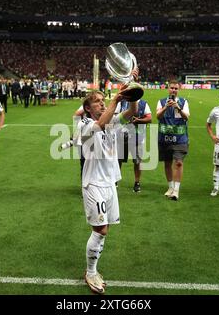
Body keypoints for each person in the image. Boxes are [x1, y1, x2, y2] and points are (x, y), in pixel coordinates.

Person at [78, 87, 137, 294]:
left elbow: (130, 113)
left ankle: (93, 269)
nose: (102, 103)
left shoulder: (111, 121)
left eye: (104, 100)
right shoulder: (84, 124)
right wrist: (117, 98)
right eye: (97, 101)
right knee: (100, 229)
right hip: (93, 183)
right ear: (87, 108)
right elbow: (101, 123)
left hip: (110, 183)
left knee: (104, 230)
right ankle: (90, 272)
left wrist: (132, 95)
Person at [157, 80, 190, 201]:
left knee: (179, 162)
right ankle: (170, 187)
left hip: (180, 138)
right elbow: (158, 116)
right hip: (165, 138)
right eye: (172, 88)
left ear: (178, 90)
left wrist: (179, 108)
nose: (173, 90)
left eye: (176, 88)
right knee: (167, 163)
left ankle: (176, 190)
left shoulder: (183, 102)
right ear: (168, 89)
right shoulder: (161, 102)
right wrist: (166, 107)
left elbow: (187, 117)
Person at [115, 99, 152, 192]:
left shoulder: (143, 103)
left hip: (137, 137)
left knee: (137, 162)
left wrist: (137, 120)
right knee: (119, 160)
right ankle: (115, 180)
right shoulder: (122, 102)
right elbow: (115, 116)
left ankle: (137, 182)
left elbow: (149, 118)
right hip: (121, 136)